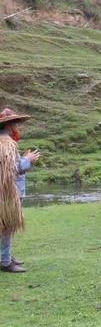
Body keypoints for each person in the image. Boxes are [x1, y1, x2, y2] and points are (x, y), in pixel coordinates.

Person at [0, 108, 40, 273]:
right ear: (9, 125)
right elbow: (14, 169)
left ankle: (5, 256)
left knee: (4, 226)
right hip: (9, 193)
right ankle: (5, 261)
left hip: (5, 192)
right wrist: (28, 160)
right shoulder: (6, 143)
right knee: (7, 226)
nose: (16, 127)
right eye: (14, 124)